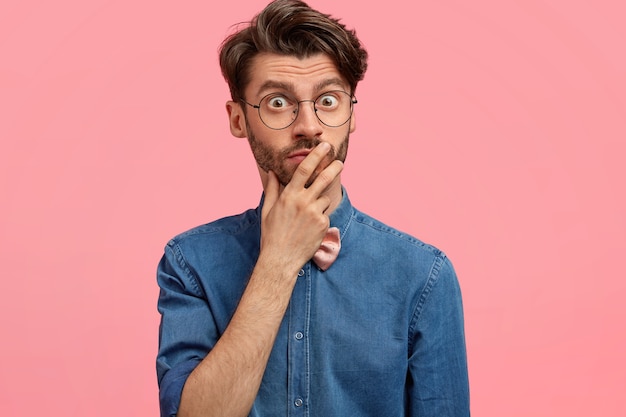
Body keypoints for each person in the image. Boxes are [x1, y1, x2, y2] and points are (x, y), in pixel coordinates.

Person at [155, 0, 470, 415]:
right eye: (278, 103)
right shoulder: (190, 262)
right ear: (237, 120)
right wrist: (278, 263)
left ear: (351, 113)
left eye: (328, 100)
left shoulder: (423, 276)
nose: (308, 125)